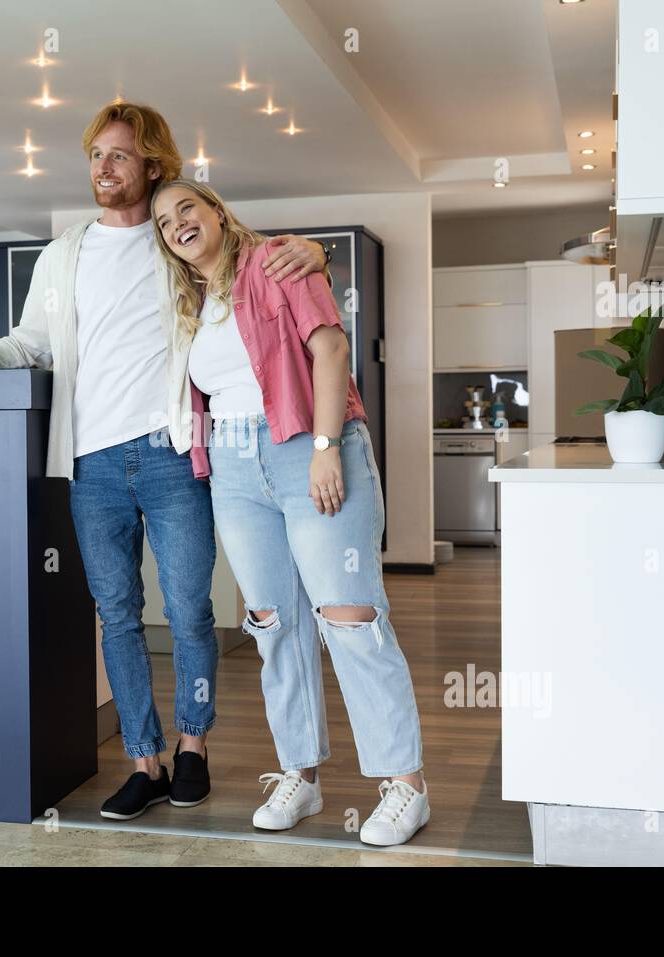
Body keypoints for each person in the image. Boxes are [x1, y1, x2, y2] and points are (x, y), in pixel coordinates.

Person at [0, 103, 327, 820]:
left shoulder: (179, 244)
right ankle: (147, 760)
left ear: (152, 166)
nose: (102, 168)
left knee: (192, 611)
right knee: (117, 614)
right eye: (95, 155)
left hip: (172, 457)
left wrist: (315, 253)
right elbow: (29, 342)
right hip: (92, 465)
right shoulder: (63, 253)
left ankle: (193, 748)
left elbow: (253, 268)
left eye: (118, 155)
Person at [150, 179, 429, 846]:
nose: (178, 223)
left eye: (188, 206)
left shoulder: (276, 260)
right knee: (274, 623)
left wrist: (327, 447)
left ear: (216, 210)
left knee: (350, 616)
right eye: (164, 221)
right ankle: (298, 775)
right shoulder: (188, 304)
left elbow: (329, 349)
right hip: (235, 467)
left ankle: (405, 785)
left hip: (306, 444)